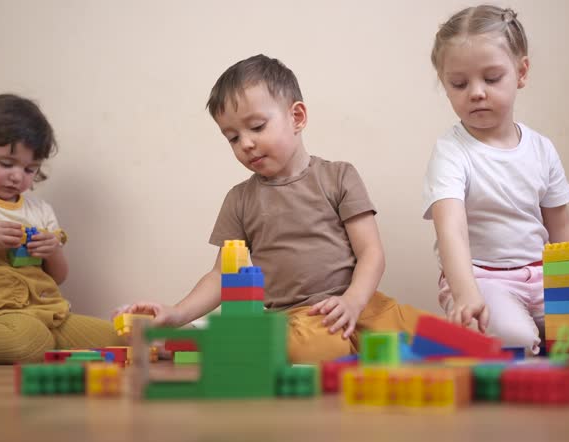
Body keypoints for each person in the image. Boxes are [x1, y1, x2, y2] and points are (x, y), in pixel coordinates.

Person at [122, 55, 427, 363]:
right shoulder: (240, 200)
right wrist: (176, 313)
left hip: (365, 303)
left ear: (297, 117)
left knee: (440, 337)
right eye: (233, 137)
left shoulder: (339, 176)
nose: (246, 143)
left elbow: (371, 253)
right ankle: (214, 338)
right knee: (312, 348)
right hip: (301, 319)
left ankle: (350, 347)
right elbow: (222, 276)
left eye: (257, 127)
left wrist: (352, 302)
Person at [423, 5, 569, 353]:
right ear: (445, 83)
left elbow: (561, 228)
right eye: (459, 83)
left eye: (491, 78)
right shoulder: (451, 151)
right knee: (514, 340)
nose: (476, 92)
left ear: (521, 71)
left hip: (549, 278)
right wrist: (466, 293)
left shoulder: (541, 148)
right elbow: (450, 231)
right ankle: (528, 337)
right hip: (484, 279)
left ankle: (550, 338)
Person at [0, 94, 121, 364]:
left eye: (30, 169)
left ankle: (43, 344)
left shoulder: (40, 210)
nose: (18, 176)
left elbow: (58, 277)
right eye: (6, 164)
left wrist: (53, 252)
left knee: (120, 338)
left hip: (49, 315)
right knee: (26, 340)